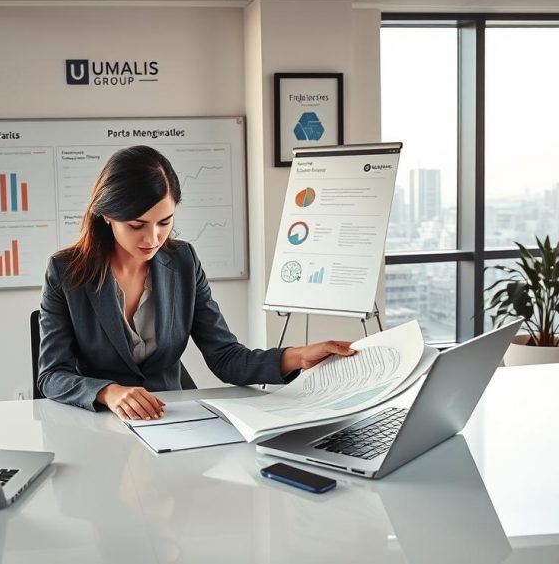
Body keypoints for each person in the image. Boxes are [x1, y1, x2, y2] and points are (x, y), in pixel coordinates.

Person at [37, 145, 354, 420]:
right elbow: (52, 375)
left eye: (165, 221)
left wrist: (298, 356)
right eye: (136, 225)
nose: (153, 238)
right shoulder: (66, 271)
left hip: (171, 418)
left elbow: (226, 357)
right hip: (97, 425)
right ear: (107, 215)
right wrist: (108, 392)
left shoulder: (183, 262)